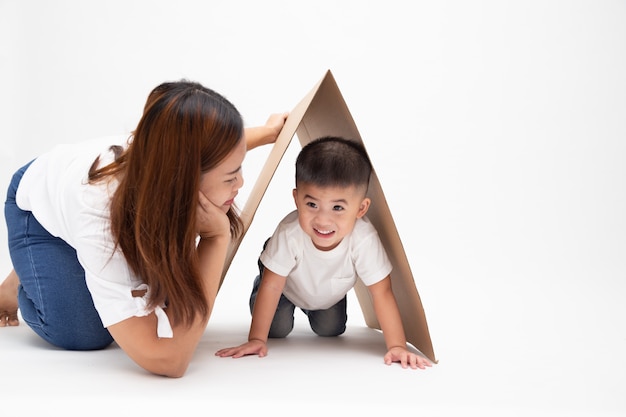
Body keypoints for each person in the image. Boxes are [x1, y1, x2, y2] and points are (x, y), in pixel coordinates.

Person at [0, 79, 288, 377]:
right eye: (230, 178)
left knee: (162, 294)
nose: (240, 184)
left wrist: (268, 133)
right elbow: (169, 361)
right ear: (184, 179)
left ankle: (51, 268)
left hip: (93, 197)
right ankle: (24, 275)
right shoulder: (99, 215)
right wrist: (216, 237)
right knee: (85, 332)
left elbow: (212, 147)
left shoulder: (166, 159)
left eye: (239, 170)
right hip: (36, 208)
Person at [215, 136, 432, 370]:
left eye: (338, 208)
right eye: (312, 205)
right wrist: (256, 339)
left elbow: (382, 292)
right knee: (277, 330)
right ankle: (267, 265)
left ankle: (318, 304)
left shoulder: (364, 238)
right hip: (285, 287)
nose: (323, 220)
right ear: (297, 199)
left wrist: (397, 346)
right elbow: (273, 286)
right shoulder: (291, 233)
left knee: (330, 331)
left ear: (361, 208)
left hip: (328, 293)